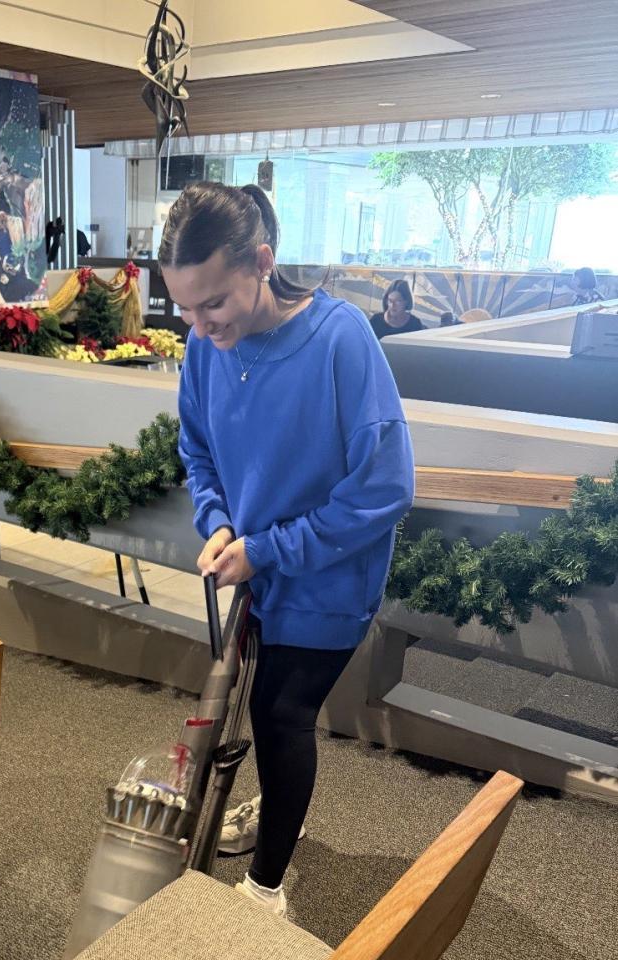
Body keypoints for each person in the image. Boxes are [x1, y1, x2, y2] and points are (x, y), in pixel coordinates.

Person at [159, 181, 414, 918]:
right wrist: (216, 523)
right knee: (252, 705)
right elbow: (198, 451)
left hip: (329, 574)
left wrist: (266, 549)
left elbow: (384, 487)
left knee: (280, 714)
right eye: (183, 308)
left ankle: (264, 890)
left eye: (213, 302)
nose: (199, 324)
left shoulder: (340, 338)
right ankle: (278, 813)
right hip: (257, 568)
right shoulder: (204, 347)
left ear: (262, 262)